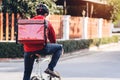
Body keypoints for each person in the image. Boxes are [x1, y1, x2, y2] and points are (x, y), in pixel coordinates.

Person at [23, 3, 63, 80]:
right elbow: (53, 39)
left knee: (27, 73)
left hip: (27, 50)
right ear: (45, 14)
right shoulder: (47, 23)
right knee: (59, 48)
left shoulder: (29, 22)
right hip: (41, 48)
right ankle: (50, 68)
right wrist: (52, 47)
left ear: (37, 13)